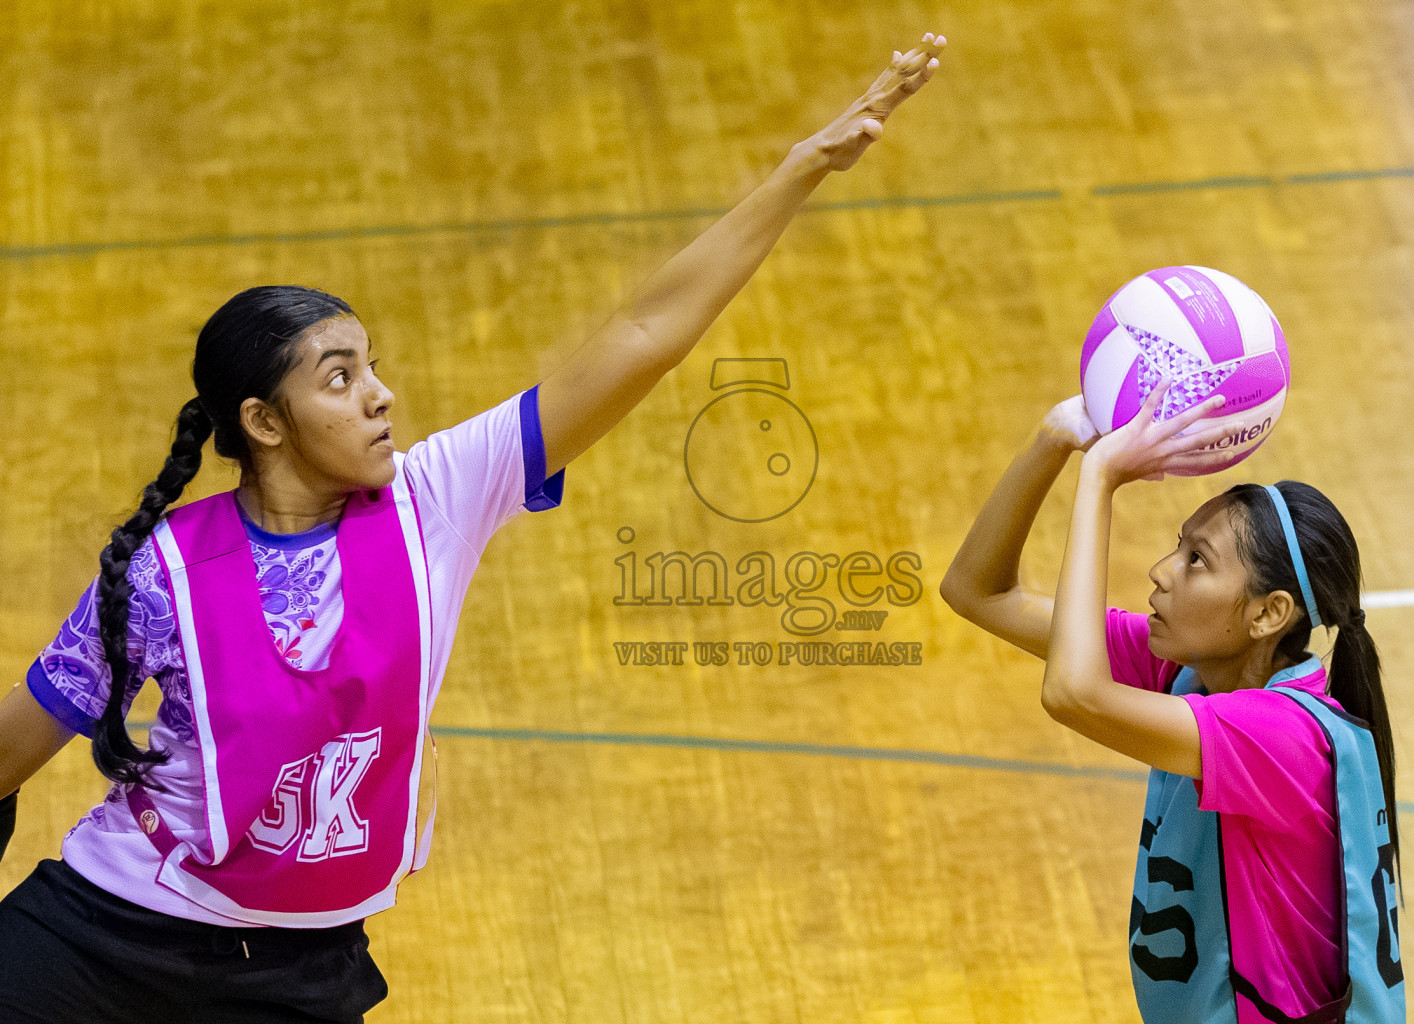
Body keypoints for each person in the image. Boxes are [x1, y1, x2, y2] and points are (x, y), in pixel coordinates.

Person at [0, 33, 944, 1023]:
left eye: (371, 366)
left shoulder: (437, 496)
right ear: (264, 423)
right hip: (110, 934)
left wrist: (799, 171)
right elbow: (18, 746)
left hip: (299, 973)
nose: (381, 396)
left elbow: (640, 336)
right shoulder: (167, 573)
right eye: (340, 378)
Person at [941, 383, 1405, 1023]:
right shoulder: (1192, 670)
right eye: (1178, 545)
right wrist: (1055, 438)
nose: (1162, 570)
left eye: (1197, 560)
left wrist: (1099, 479)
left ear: (1269, 615)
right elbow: (977, 592)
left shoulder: (1280, 739)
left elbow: (1074, 692)